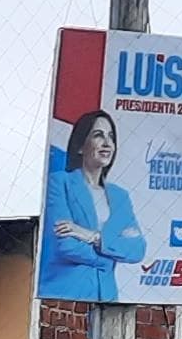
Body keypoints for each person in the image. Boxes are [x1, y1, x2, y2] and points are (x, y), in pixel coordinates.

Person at [39, 108, 145, 303]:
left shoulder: (120, 197)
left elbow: (137, 249)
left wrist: (92, 236)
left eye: (111, 137)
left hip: (106, 297)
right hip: (65, 296)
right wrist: (110, 258)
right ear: (81, 146)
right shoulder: (59, 183)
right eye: (98, 135)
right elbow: (66, 244)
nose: (107, 143)